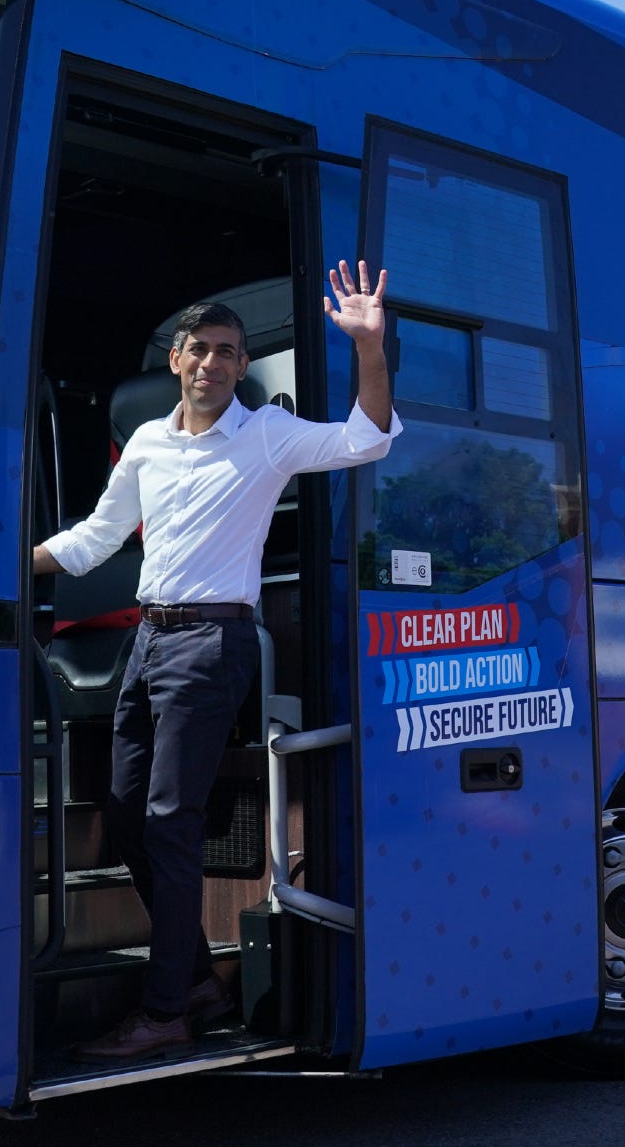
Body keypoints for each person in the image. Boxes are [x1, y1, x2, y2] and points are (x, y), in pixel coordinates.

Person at [39, 264, 397, 1061]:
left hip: (212, 645)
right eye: (198, 349)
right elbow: (95, 539)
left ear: (243, 366)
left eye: (227, 352)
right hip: (149, 643)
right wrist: (2, 566)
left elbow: (367, 438)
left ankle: (167, 1008)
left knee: (171, 821)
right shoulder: (146, 443)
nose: (211, 363)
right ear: (175, 359)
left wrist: (369, 347)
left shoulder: (267, 433)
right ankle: (195, 978)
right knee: (128, 813)